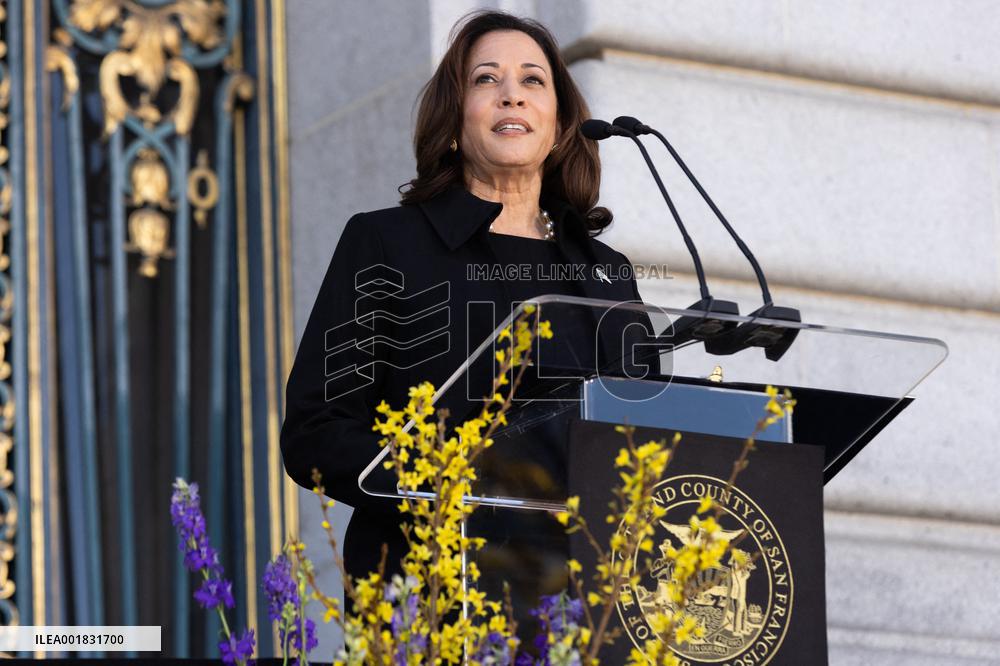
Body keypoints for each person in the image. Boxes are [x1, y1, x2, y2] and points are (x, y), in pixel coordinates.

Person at [280, 10, 658, 589]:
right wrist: (443, 489)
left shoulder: (608, 276)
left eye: (533, 81)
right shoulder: (387, 243)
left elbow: (650, 438)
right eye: (486, 80)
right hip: (429, 586)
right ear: (455, 120)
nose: (512, 96)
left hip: (593, 599)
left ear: (559, 125)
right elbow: (317, 427)